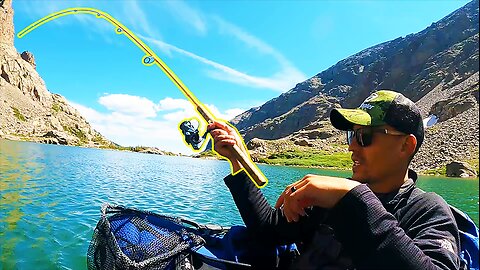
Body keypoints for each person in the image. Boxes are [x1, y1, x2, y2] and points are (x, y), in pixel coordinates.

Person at [208, 90, 462, 269]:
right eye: (351, 137)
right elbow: (269, 231)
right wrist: (236, 159)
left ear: (406, 145)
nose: (352, 148)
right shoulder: (332, 197)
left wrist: (352, 198)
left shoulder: (427, 210)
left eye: (365, 137)